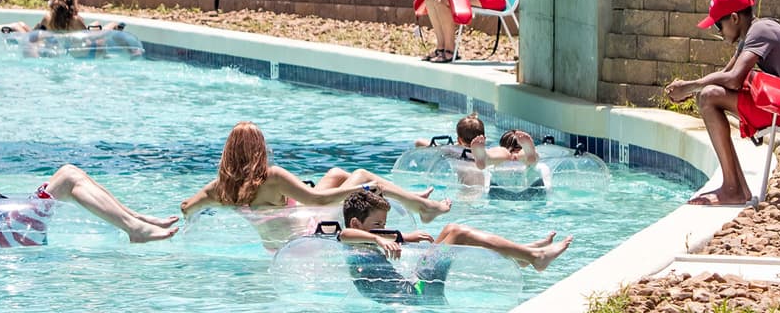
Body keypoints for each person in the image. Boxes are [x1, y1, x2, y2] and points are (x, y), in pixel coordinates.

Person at [663, 0, 780, 206]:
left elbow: (733, 79)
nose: (719, 32)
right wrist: (690, 88)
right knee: (707, 95)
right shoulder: (753, 34)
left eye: (718, 25)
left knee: (708, 96)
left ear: (733, 18)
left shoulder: (760, 32)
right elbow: (726, 75)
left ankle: (733, 190)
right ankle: (734, 188)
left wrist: (691, 87)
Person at [0, 109, 177, 249]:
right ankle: (135, 229)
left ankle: (136, 220)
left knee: (72, 173)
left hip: (9, 230)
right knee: (67, 176)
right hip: (3, 235)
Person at [180, 122, 452, 248]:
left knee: (334, 173)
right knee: (360, 175)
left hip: (276, 243)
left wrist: (195, 216)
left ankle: (403, 196)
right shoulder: (271, 177)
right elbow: (318, 201)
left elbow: (186, 208)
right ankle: (424, 206)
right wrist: (365, 188)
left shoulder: (220, 188)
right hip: (306, 234)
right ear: (260, 149)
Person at [336, 189, 571, 305]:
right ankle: (534, 256)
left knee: (449, 229)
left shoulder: (366, 238)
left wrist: (406, 237)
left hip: (415, 285)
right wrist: (380, 239)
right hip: (416, 293)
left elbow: (375, 237)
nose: (382, 230)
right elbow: (345, 234)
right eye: (378, 225)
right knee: (458, 233)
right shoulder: (352, 239)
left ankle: (521, 254)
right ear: (357, 222)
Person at [412, 112, 486, 149]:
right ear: (484, 138)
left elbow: (418, 142)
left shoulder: (452, 151)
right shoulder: (487, 155)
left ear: (459, 140)